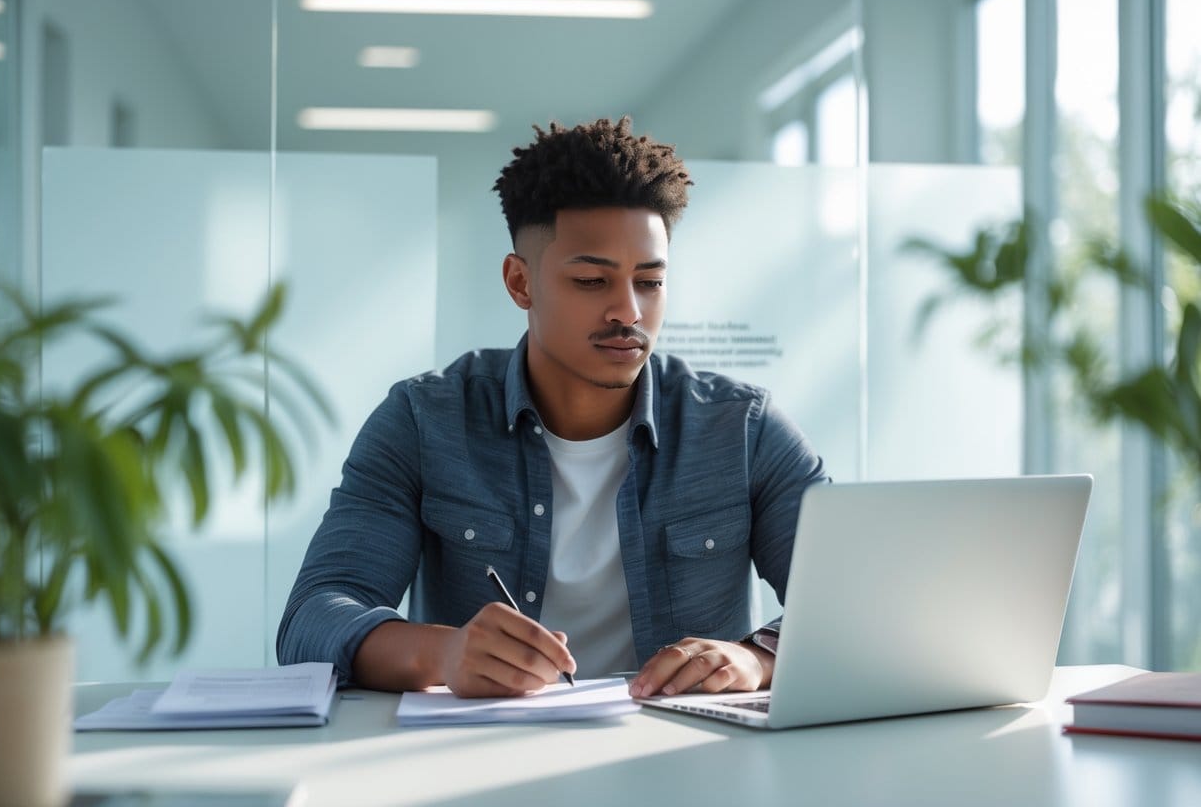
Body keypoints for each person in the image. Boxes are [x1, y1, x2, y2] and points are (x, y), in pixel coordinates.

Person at [277, 117, 828, 699]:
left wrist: (754, 659)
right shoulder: (425, 419)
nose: (628, 311)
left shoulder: (742, 429)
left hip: (683, 764)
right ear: (521, 283)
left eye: (650, 282)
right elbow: (314, 618)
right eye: (592, 280)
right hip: (482, 764)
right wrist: (445, 651)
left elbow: (856, 607)